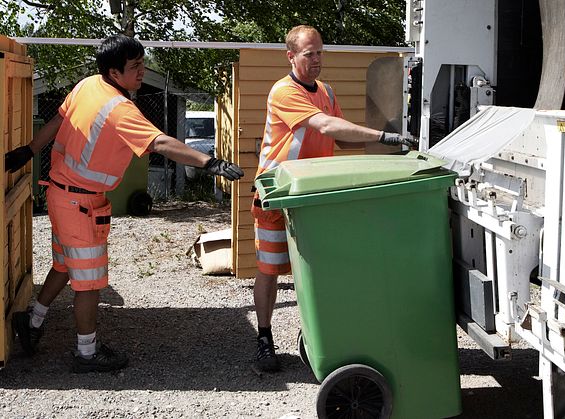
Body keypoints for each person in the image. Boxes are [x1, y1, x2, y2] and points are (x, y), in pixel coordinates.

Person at [4, 35, 244, 373]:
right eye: (135, 67)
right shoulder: (120, 110)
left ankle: (33, 322)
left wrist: (29, 151)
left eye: (142, 63)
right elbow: (159, 142)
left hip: (61, 195)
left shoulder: (88, 85)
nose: (142, 72)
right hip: (80, 204)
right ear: (115, 73)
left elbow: (58, 120)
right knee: (88, 283)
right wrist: (210, 163)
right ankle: (86, 353)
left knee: (63, 265)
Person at [251, 25, 415, 372]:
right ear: (291, 56)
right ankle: (264, 339)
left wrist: (390, 148)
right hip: (276, 193)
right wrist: (386, 136)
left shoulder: (325, 90)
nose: (316, 60)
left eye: (320, 52)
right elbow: (325, 126)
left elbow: (341, 138)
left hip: (312, 197)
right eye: (309, 53)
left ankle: (315, 336)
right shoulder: (284, 91)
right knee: (269, 269)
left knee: (316, 270)